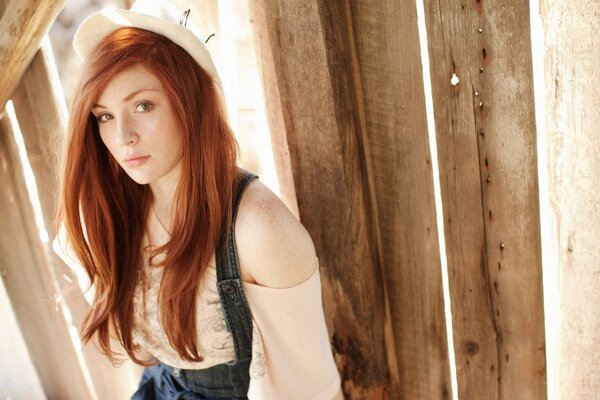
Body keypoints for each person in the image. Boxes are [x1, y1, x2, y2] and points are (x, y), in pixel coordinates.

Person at [54, 0, 342, 398]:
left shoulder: (258, 229)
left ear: (190, 102)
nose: (123, 137)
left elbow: (308, 391)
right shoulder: (110, 209)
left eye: (143, 105)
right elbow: (142, 351)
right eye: (104, 115)